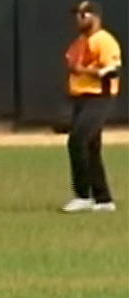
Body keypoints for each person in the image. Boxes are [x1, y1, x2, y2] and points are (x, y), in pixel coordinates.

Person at [61, 1, 122, 213]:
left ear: (94, 17)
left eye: (82, 14)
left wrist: (84, 71)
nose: (78, 18)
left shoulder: (104, 40)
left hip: (99, 97)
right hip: (81, 98)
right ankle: (103, 199)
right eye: (77, 14)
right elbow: (72, 64)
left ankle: (82, 195)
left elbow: (112, 71)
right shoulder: (80, 41)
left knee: (77, 140)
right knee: (91, 147)